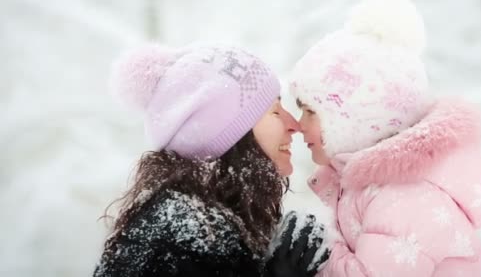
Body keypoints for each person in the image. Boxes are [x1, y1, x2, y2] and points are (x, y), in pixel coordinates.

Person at [289, 0, 481, 276]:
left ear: (357, 117)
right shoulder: (372, 187)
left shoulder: (405, 196)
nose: (299, 124)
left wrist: (316, 254)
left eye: (310, 112)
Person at [93, 43, 328, 277]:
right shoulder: (184, 236)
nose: (294, 125)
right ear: (232, 135)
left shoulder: (208, 217)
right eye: (275, 112)